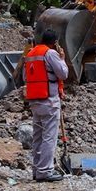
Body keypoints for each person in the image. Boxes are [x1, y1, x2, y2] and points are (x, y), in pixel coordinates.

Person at [22, 29, 70, 182]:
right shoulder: (50, 54)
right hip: (49, 101)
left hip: (35, 101)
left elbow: (25, 77)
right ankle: (45, 171)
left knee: (38, 137)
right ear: (54, 43)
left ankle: (36, 170)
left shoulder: (30, 55)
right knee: (49, 137)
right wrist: (62, 59)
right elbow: (63, 74)